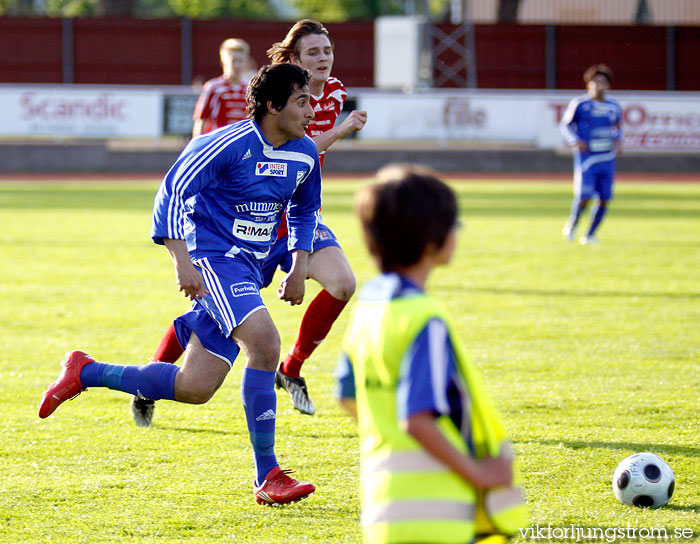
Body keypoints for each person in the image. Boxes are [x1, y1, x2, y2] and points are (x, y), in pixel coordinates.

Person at [39, 63, 320, 506]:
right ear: (272, 105)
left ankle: (85, 371)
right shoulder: (226, 144)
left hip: (251, 270)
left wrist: (299, 264)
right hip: (213, 259)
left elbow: (306, 210)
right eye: (302, 101)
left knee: (194, 387)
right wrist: (181, 261)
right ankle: (268, 476)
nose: (312, 109)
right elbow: (170, 191)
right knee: (265, 344)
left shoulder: (303, 153)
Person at [131, 19, 367, 424]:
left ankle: (291, 369)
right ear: (292, 60)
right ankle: (149, 377)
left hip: (294, 211)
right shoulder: (270, 95)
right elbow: (277, 143)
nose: (323, 59)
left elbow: (304, 154)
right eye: (313, 53)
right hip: (242, 218)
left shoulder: (333, 93)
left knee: (343, 283)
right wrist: (343, 130)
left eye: (327, 51)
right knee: (212, 317)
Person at [337, 165, 528, 543]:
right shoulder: (425, 318)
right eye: (452, 225)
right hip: (440, 514)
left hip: (384, 510)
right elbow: (418, 419)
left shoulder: (369, 308)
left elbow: (348, 395)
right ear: (431, 241)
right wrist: (479, 473)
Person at [560, 63, 623, 245]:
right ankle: (573, 223)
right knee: (584, 196)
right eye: (595, 82)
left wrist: (618, 140)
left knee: (604, 198)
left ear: (608, 85)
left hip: (607, 158)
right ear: (588, 85)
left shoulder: (614, 106)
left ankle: (590, 234)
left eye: (602, 82)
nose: (599, 86)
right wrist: (574, 141)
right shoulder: (580, 104)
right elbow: (565, 125)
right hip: (587, 159)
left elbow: (618, 127)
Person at [192, 38, 252, 138]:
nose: (236, 66)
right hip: (218, 143)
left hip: (241, 146)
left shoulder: (250, 89)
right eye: (233, 61)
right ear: (223, 62)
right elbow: (201, 120)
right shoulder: (213, 88)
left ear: (246, 62)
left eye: (240, 61)